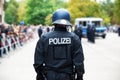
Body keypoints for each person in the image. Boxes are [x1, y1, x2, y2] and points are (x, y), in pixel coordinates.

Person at [33, 9, 85, 80]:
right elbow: (79, 61)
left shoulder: (44, 38)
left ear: (53, 21)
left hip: (49, 76)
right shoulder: (74, 38)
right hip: (68, 76)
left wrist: (40, 74)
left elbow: (38, 61)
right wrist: (79, 76)